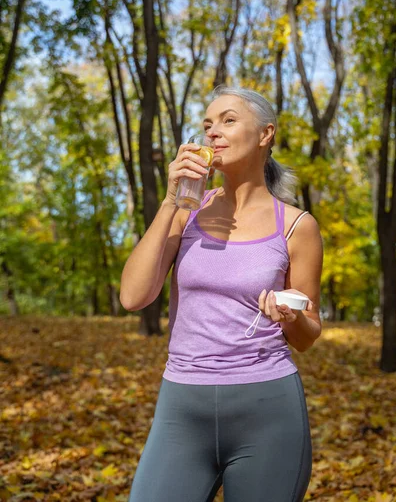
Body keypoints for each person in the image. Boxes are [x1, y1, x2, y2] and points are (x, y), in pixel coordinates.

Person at [120, 85, 324, 502]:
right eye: (208, 124)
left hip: (267, 407)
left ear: (266, 134)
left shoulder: (297, 226)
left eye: (229, 120)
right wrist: (170, 202)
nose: (213, 132)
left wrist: (292, 318)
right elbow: (133, 297)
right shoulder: (186, 210)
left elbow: (307, 335)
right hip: (182, 405)